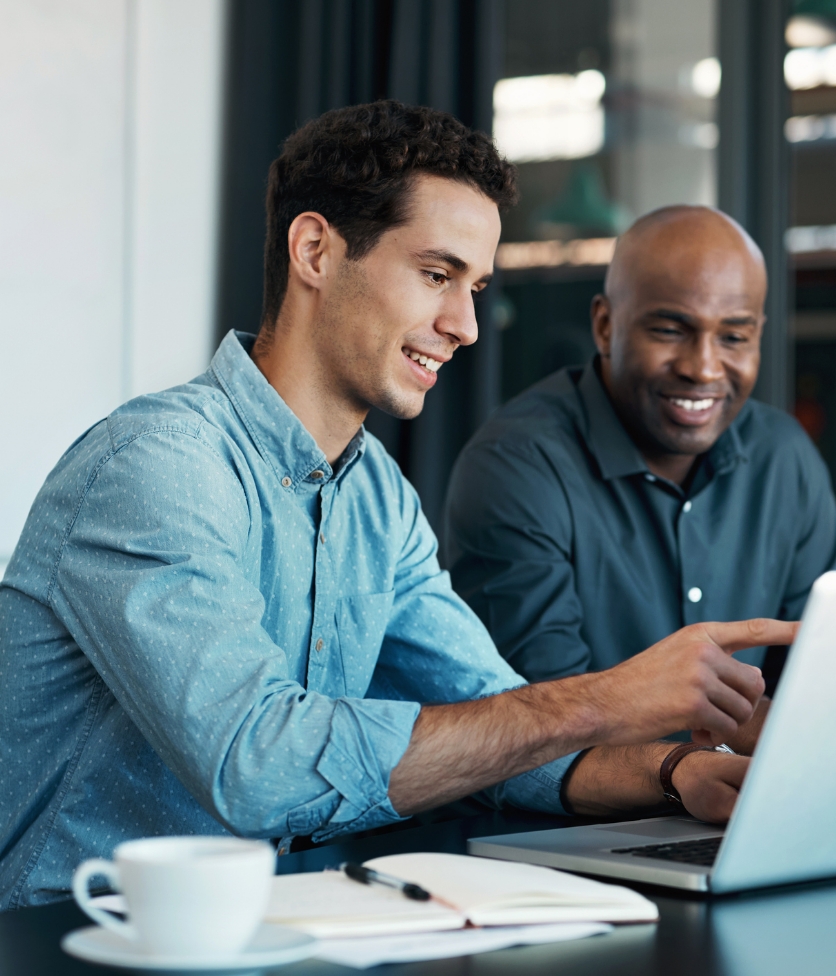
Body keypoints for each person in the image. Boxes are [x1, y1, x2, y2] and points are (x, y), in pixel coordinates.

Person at [0, 103, 795, 909]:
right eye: (436, 275)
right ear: (315, 250)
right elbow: (258, 765)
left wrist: (677, 772)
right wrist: (603, 698)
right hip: (65, 934)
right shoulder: (158, 466)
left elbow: (495, 722)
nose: (466, 325)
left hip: (260, 932)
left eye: (475, 287)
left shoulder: (376, 494)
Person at [443, 206, 836, 704]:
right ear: (606, 326)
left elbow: (817, 680)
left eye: (734, 337)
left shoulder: (785, 458)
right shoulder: (516, 464)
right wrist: (688, 774)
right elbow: (542, 720)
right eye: (671, 331)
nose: (703, 368)